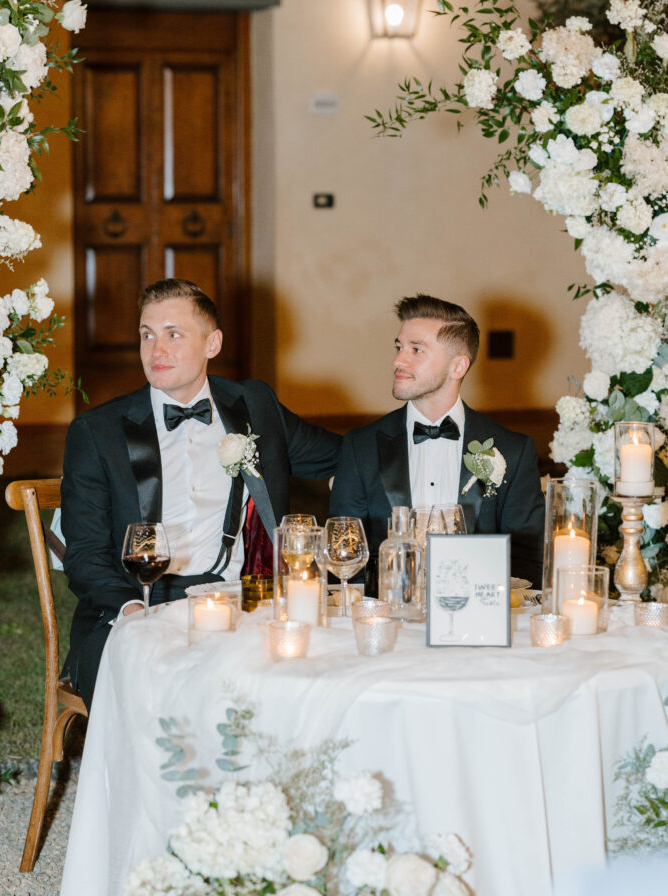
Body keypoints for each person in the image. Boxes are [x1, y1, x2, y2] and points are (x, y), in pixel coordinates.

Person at [61, 279, 341, 708]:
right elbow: (85, 555)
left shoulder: (254, 406)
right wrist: (134, 613)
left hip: (241, 603)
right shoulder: (98, 432)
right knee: (154, 686)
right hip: (136, 604)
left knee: (311, 677)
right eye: (147, 335)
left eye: (173, 334)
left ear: (213, 344)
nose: (156, 350)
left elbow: (344, 457)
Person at [329, 294, 545, 592]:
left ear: (458, 367)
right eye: (399, 347)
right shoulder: (360, 446)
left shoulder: (513, 451)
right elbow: (344, 559)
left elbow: (526, 564)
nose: (398, 361)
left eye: (416, 350)